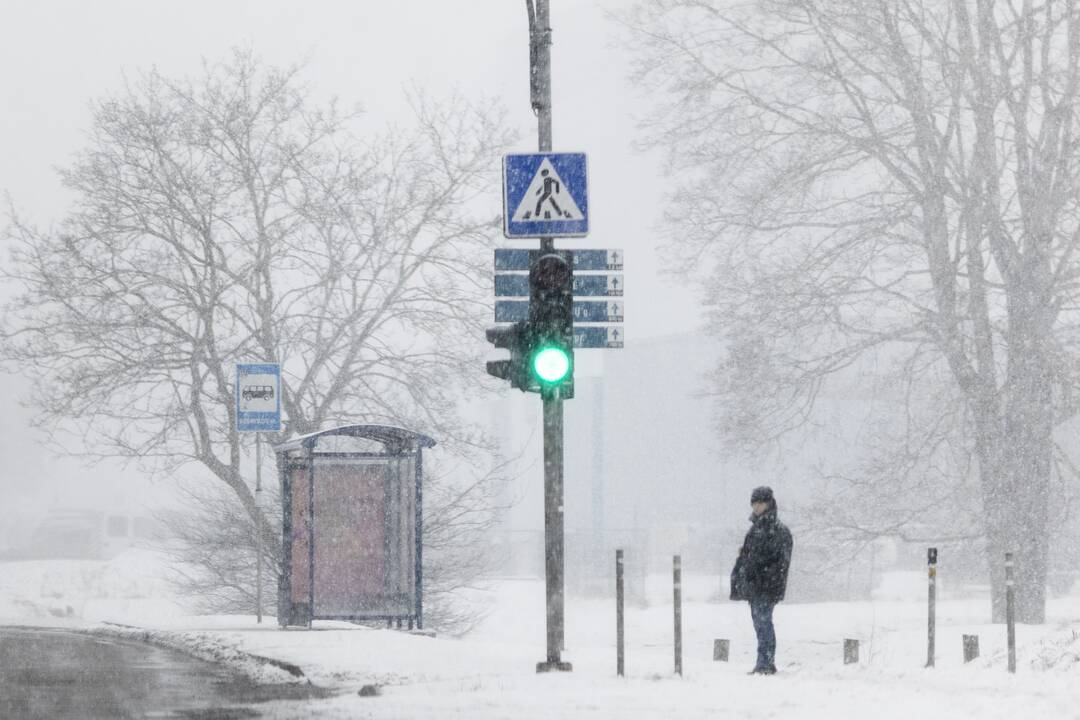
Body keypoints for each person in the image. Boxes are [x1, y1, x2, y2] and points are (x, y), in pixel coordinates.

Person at [730, 486, 793, 675]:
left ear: (768, 503)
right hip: (757, 585)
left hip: (765, 586)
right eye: (754, 503)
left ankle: (765, 663)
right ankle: (763, 662)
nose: (756, 507)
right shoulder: (758, 528)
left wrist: (758, 570)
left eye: (760, 503)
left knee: (764, 623)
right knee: (760, 623)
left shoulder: (776, 530)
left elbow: (778, 561)